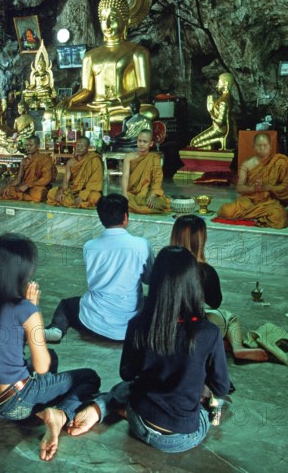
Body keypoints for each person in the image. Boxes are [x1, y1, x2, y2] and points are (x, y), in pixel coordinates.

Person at [68, 247, 231, 453]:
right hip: (180, 438)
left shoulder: (138, 323)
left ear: (156, 282)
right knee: (215, 402)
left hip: (139, 421)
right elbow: (222, 387)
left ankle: (105, 406)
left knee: (129, 385)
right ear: (194, 284)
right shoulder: (209, 332)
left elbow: (127, 373)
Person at [0, 233, 100, 461]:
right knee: (89, 377)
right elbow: (42, 367)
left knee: (51, 355)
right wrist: (34, 312)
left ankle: (44, 406)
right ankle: (57, 415)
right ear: (22, 270)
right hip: (16, 403)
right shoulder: (25, 309)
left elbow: (10, 343)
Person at [44, 193, 154, 343]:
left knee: (67, 305)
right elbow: (149, 279)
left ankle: (56, 329)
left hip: (94, 320)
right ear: (126, 217)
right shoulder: (142, 245)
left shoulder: (89, 246)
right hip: (130, 323)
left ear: (101, 219)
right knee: (150, 301)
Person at [170, 214, 268, 361]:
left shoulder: (163, 263)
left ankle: (214, 342)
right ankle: (237, 347)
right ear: (200, 240)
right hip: (194, 328)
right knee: (229, 317)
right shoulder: (205, 271)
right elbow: (215, 303)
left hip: (166, 327)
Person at [61, 0, 157, 123]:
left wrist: (116, 102)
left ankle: (101, 120)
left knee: (149, 112)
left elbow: (144, 88)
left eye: (112, 19)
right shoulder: (90, 56)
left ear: (126, 20)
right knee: (54, 114)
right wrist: (69, 101)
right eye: (103, 19)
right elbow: (86, 90)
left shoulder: (138, 52)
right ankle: (98, 119)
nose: (106, 25)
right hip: (95, 108)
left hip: (121, 107)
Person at [217, 132, 288, 228]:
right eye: (259, 145)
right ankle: (259, 217)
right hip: (249, 200)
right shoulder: (247, 164)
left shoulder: (279, 162)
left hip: (268, 201)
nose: (262, 148)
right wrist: (253, 188)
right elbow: (240, 188)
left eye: (265, 145)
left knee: (279, 217)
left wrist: (268, 187)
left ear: (270, 146)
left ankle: (254, 216)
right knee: (226, 211)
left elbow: (286, 187)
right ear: (254, 147)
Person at [122, 129, 170, 214]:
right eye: (139, 141)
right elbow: (125, 176)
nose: (141, 144)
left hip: (148, 193)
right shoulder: (129, 157)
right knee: (122, 201)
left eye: (145, 142)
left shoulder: (154, 158)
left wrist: (153, 195)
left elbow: (157, 178)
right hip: (133, 194)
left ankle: (137, 207)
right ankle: (140, 208)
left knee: (162, 204)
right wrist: (124, 194)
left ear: (150, 144)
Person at [46, 137, 103, 209]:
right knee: (51, 193)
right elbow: (65, 182)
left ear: (88, 147)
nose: (79, 148)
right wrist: (60, 191)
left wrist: (82, 196)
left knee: (95, 197)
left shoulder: (94, 160)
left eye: (82, 146)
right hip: (74, 190)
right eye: (77, 145)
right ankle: (77, 202)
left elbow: (95, 182)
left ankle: (76, 202)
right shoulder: (70, 162)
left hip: (88, 191)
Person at [0, 135, 57, 203]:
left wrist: (28, 185)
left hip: (38, 186)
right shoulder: (24, 161)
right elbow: (18, 178)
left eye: (31, 145)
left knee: (38, 194)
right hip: (24, 186)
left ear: (38, 146)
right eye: (26, 145)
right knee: (3, 191)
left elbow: (45, 178)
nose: (28, 148)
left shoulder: (45, 159)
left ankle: (23, 196)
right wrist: (8, 186)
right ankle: (25, 196)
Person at [190, 72, 235, 150]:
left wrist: (210, 111)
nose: (217, 84)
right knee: (193, 142)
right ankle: (210, 146)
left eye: (219, 81)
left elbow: (220, 122)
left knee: (193, 144)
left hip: (219, 130)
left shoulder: (224, 100)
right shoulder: (226, 97)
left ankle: (219, 140)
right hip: (216, 127)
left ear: (226, 83)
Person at [23, 41, 57, 110]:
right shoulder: (35, 74)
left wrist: (42, 86)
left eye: (42, 65)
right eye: (39, 66)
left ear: (45, 66)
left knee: (46, 91)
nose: (40, 67)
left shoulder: (47, 73)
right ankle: (33, 104)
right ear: (36, 66)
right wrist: (28, 87)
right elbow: (33, 84)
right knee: (26, 92)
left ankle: (45, 104)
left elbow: (48, 85)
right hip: (36, 90)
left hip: (43, 90)